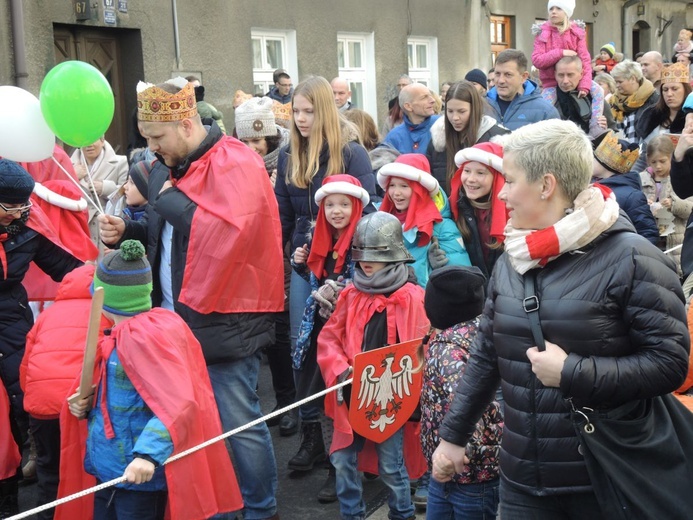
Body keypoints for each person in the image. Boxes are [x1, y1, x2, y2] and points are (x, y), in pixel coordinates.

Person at [431, 119, 689, 519]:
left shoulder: (633, 258)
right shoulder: (513, 256)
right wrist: (452, 437)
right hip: (520, 480)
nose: (502, 194)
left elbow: (669, 364)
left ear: (546, 185)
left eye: (511, 180)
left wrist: (573, 372)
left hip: (602, 478)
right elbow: (486, 355)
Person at [98, 77, 284, 520]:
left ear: (185, 124)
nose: (153, 149)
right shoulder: (169, 164)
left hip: (224, 319)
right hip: (172, 319)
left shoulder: (237, 161)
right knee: (189, 422)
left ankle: (261, 509)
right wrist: (132, 230)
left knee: (239, 424)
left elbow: (227, 236)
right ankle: (216, 507)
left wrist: (164, 199)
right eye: (148, 140)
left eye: (158, 138)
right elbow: (173, 240)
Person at [64, 241, 242, 520]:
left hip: (139, 475)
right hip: (108, 466)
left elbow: (176, 405)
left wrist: (147, 455)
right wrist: (87, 403)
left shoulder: (144, 340)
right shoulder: (117, 337)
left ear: (105, 299)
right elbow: (126, 392)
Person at [275, 75, 376, 475]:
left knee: (346, 351)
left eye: (309, 110)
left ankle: (348, 443)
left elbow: (369, 214)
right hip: (307, 262)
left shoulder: (352, 153)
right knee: (305, 348)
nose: (301, 119)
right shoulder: (287, 156)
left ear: (326, 111)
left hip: (349, 264)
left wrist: (350, 271)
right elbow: (282, 218)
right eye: (296, 111)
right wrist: (292, 255)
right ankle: (312, 434)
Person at [317, 211, 430, 520]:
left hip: (390, 396)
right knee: (342, 461)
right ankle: (352, 514)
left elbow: (422, 349)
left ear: (393, 253)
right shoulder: (351, 294)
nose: (365, 261)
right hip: (350, 391)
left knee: (392, 466)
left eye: (375, 254)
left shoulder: (413, 297)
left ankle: (402, 514)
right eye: (361, 254)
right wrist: (340, 369)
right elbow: (330, 338)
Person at [0, 160, 83, 516]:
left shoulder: (27, 225)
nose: (20, 211)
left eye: (25, 204)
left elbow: (68, 268)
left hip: (10, 318)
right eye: (12, 205)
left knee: (24, 393)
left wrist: (110, 277)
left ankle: (33, 462)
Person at [291, 175, 369, 503]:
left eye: (344, 204)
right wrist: (301, 267)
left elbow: (372, 280)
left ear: (357, 206)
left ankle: (353, 468)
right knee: (326, 404)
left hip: (353, 336)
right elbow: (315, 283)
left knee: (350, 403)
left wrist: (341, 289)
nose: (336, 211)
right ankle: (336, 465)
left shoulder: (367, 237)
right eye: (330, 204)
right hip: (322, 335)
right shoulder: (317, 240)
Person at [20, 264, 112, 520]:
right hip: (80, 402)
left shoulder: (48, 315)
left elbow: (26, 363)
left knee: (49, 471)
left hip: (42, 405)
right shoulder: (105, 312)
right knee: (88, 472)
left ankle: (47, 515)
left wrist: (32, 399)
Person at [419, 265, 503, 520]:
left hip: (464, 475)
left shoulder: (450, 352)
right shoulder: (485, 333)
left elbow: (471, 415)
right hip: (467, 472)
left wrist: (452, 458)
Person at [377, 153, 472, 287]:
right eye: (392, 185)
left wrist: (437, 270)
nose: (396, 192)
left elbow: (461, 282)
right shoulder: (380, 222)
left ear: (420, 190)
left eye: (404, 186)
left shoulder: (442, 227)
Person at [426, 81, 509, 192]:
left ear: (475, 109)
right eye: (450, 111)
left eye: (461, 111)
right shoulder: (438, 140)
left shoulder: (498, 140)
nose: (455, 117)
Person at [450, 142, 508, 279]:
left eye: (480, 173)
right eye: (467, 171)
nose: (470, 179)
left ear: (497, 178)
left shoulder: (513, 211)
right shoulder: (454, 208)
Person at [591, 130, 659, 244]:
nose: (589, 160)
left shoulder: (633, 196)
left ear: (607, 163)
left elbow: (648, 234)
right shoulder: (590, 188)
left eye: (594, 157)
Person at [640, 135, 693, 276]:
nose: (658, 166)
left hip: (674, 242)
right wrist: (646, 205)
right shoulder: (642, 179)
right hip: (652, 239)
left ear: (671, 157)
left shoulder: (681, 178)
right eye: (653, 162)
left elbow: (690, 207)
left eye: (663, 161)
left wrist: (673, 203)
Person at [71, 136, 128, 252]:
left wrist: (106, 187)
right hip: (81, 226)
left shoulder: (121, 162)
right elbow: (60, 192)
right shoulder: (68, 165)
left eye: (93, 139)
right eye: (85, 141)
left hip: (108, 225)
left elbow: (126, 193)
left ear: (102, 141)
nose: (89, 145)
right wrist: (73, 176)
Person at [531, 0, 593, 105]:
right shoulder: (542, 33)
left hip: (576, 82)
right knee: (544, 107)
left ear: (566, 12)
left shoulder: (576, 33)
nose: (553, 12)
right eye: (551, 9)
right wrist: (560, 53)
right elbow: (537, 60)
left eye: (558, 8)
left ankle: (595, 121)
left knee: (598, 93)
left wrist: (584, 84)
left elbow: (585, 60)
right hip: (551, 84)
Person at [634, 62, 691, 169]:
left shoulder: (690, 118)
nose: (669, 94)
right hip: (651, 178)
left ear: (685, 90)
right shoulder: (651, 116)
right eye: (665, 90)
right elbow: (643, 158)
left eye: (674, 89)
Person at [486, 49, 559, 130]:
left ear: (524, 77)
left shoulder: (545, 112)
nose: (501, 80)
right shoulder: (480, 107)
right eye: (497, 74)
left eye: (508, 75)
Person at [543, 56, 612, 137]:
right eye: (561, 75)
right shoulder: (545, 101)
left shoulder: (596, 99)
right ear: (555, 75)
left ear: (581, 74)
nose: (565, 81)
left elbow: (613, 131)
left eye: (570, 75)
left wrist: (603, 129)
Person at [235, 96, 291, 185]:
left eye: (256, 140)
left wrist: (281, 188)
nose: (251, 149)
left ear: (270, 139)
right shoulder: (237, 164)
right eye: (245, 141)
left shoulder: (292, 155)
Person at [610, 60, 660, 143]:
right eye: (616, 82)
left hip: (643, 152)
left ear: (633, 79)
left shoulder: (653, 99)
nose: (617, 85)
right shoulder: (613, 101)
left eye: (620, 82)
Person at [384, 83, 440, 154]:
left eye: (430, 96)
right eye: (424, 97)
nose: (433, 100)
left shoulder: (442, 126)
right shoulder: (394, 137)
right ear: (408, 106)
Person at [105, 159, 153, 224]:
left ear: (145, 189)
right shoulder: (127, 212)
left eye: (132, 182)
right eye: (127, 181)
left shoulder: (151, 222)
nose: (125, 186)